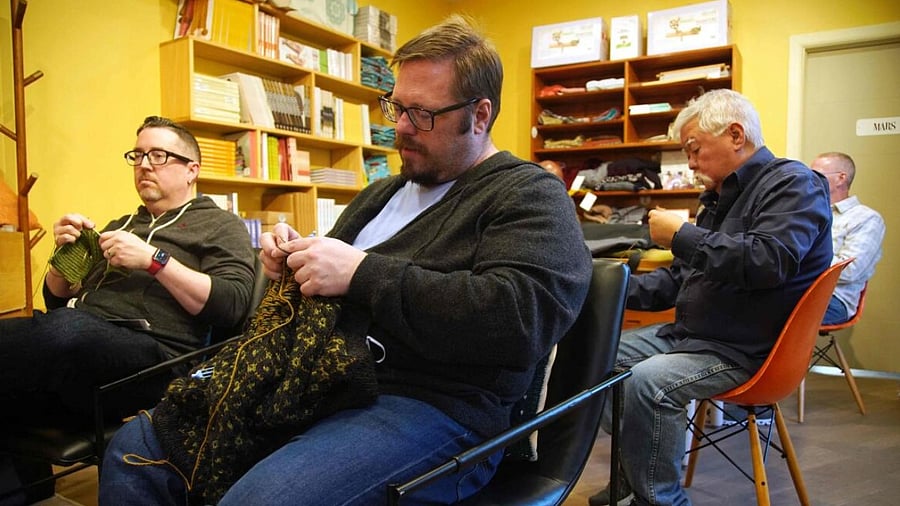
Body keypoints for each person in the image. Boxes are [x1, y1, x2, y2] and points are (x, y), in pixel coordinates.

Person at [99, 15, 592, 506]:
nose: (399, 128)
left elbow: (522, 316)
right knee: (135, 448)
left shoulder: (527, 193)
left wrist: (360, 273)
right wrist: (291, 265)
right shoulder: (381, 193)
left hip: (432, 404)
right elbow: (326, 284)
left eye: (421, 114)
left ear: (480, 115)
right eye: (395, 107)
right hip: (320, 379)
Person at [587, 89, 833, 506]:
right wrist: (597, 286)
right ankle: (635, 474)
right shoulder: (718, 198)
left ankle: (660, 500)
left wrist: (681, 235)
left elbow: (767, 261)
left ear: (736, 135)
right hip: (697, 335)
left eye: (694, 149)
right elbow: (677, 283)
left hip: (747, 348)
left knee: (648, 382)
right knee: (596, 360)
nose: (691, 162)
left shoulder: (794, 184)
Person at [0, 115, 256, 497]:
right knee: (37, 356)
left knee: (66, 331)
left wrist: (155, 261)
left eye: (158, 155)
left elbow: (231, 305)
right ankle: (29, 491)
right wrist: (62, 256)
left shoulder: (222, 225)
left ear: (192, 170)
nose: (144, 165)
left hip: (160, 358)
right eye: (137, 155)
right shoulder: (122, 224)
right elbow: (56, 299)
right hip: (84, 349)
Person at [810, 152, 885, 325]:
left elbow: (850, 271)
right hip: (798, 289)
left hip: (833, 299)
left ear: (841, 178)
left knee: (760, 313)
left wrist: (804, 257)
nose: (809, 180)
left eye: (816, 174)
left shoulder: (866, 218)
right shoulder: (809, 212)